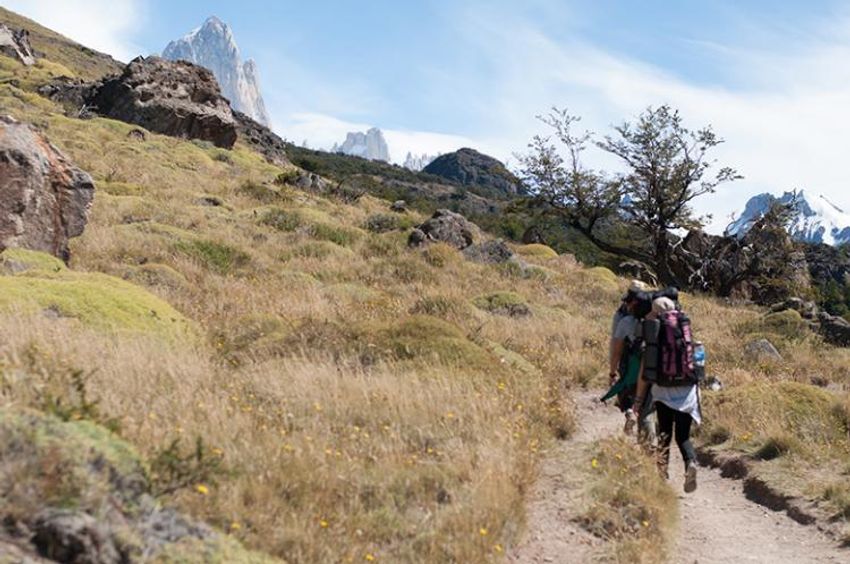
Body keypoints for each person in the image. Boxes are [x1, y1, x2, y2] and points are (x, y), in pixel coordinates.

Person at [632, 296, 700, 492]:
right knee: (683, 437)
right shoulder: (683, 327)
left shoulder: (655, 335)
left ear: (655, 311)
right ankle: (691, 463)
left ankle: (662, 477)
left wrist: (638, 400)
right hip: (687, 391)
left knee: (664, 435)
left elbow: (645, 374)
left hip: (663, 392)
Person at [607, 281, 652, 437]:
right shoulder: (652, 313)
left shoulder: (622, 316)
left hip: (628, 360)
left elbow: (615, 345)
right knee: (645, 397)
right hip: (650, 359)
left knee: (626, 392)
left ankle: (630, 413)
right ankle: (646, 433)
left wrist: (612, 372)